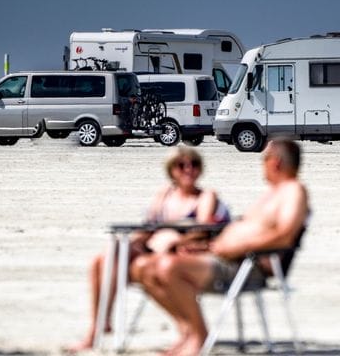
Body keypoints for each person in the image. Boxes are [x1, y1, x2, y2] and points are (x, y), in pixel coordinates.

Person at [132, 137, 309, 356]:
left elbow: (284, 235)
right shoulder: (272, 194)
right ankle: (189, 332)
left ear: (276, 162)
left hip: (248, 267)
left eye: (264, 159)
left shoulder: (293, 191)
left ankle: (199, 336)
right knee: (143, 267)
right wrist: (207, 247)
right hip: (225, 258)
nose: (262, 164)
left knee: (167, 267)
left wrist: (236, 248)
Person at [67, 146, 229, 353]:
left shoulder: (206, 196)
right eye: (182, 165)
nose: (188, 169)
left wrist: (173, 238)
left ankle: (99, 329)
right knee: (103, 258)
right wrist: (132, 242)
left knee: (126, 259)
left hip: (186, 254)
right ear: (171, 170)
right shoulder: (165, 194)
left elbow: (203, 230)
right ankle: (98, 326)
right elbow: (148, 227)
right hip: (159, 250)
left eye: (194, 164)